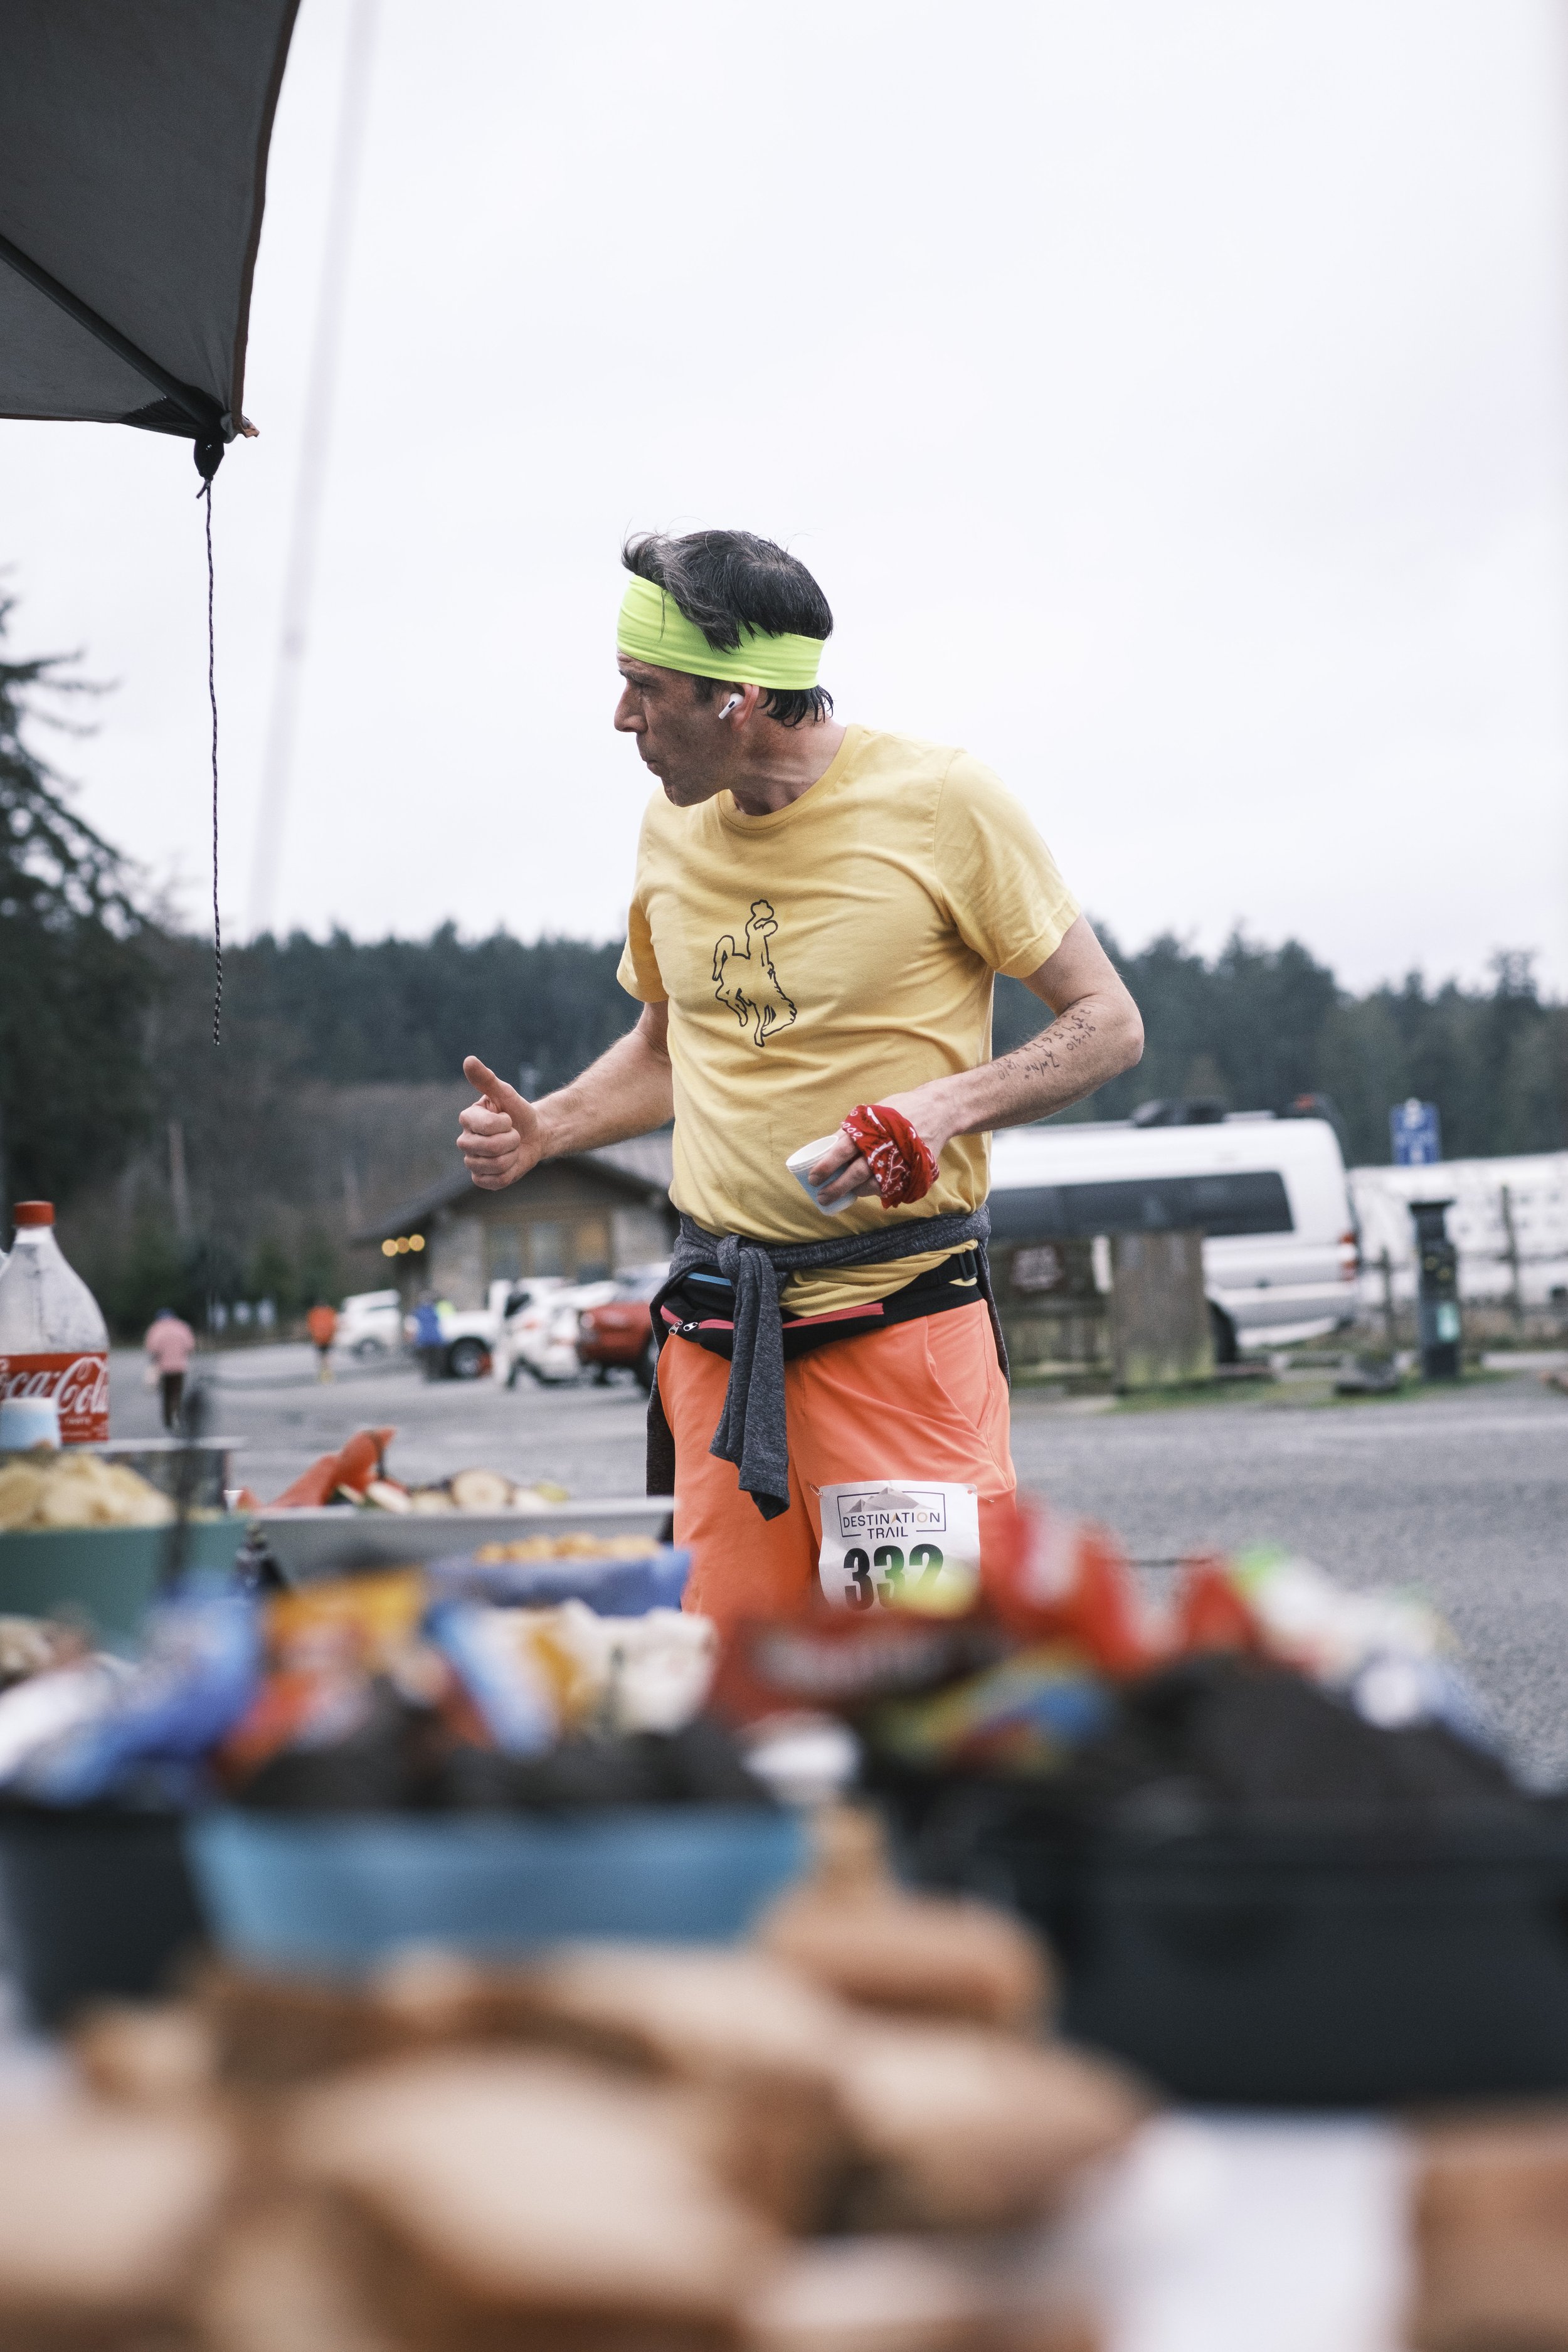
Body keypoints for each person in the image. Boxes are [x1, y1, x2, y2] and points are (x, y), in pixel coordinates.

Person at [457, 530, 1144, 1623]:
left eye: (645, 687)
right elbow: (667, 1047)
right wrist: (549, 1128)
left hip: (900, 1340)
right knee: (731, 1694)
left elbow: (1107, 1023)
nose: (623, 718)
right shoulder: (668, 828)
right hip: (720, 1350)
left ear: (739, 699)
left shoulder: (943, 799)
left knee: (925, 1696)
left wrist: (941, 1105)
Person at [143, 1307, 196, 1432]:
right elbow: (190, 1346)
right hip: (180, 1367)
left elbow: (152, 1348)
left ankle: (167, 1421)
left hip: (164, 1369)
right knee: (177, 1394)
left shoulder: (156, 1328)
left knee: (166, 1395)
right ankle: (177, 1417)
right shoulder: (182, 1327)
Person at [411, 1292, 447, 1382]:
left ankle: (429, 1375)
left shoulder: (419, 1311)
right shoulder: (434, 1310)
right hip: (435, 1338)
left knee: (427, 1359)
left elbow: (413, 1321)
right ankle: (435, 1374)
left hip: (424, 1339)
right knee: (435, 1359)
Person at [305, 1300, 338, 1382]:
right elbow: (334, 1324)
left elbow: (310, 1326)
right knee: (327, 1356)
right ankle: (328, 1373)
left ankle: (322, 1374)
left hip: (318, 1338)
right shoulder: (330, 1312)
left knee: (321, 1356)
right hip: (329, 1337)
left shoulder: (313, 1313)